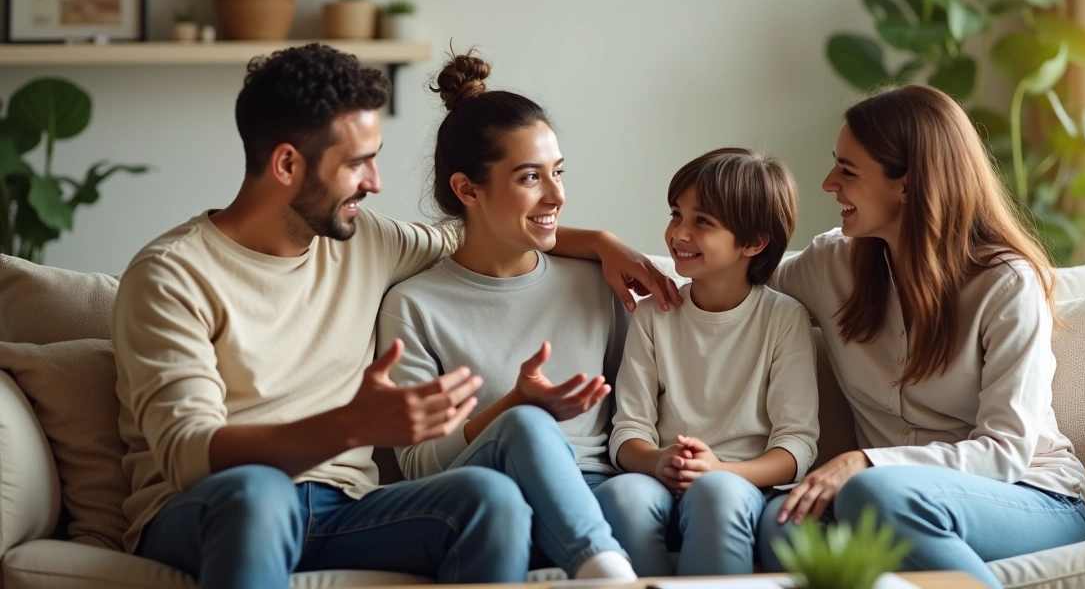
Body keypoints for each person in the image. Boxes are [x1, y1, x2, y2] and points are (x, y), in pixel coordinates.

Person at [111, 43, 679, 589]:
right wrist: (352, 425)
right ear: (287, 163)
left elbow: (481, 232)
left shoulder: (364, 239)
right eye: (357, 163)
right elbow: (190, 455)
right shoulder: (171, 275)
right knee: (260, 495)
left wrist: (602, 242)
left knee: (491, 500)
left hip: (343, 508)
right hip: (214, 508)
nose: (375, 183)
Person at [757, 84, 1085, 589]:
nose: (828, 183)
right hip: (886, 495)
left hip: (1031, 494)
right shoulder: (831, 265)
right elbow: (732, 282)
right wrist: (627, 260)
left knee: (875, 494)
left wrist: (865, 461)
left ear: (908, 185)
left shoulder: (1005, 284)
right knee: (784, 523)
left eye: (848, 171)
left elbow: (1004, 452)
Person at [377, 49, 656, 581]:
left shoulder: (596, 282)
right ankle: (604, 570)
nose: (557, 195)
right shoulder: (413, 307)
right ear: (468, 190)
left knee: (632, 498)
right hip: (491, 505)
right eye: (531, 178)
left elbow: (640, 412)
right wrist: (513, 406)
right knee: (526, 423)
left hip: (599, 491)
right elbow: (417, 465)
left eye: (558, 172)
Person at [594, 148, 819, 576]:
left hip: (744, 485)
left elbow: (796, 445)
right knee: (622, 497)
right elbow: (628, 432)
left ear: (753, 243)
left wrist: (719, 470)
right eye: (676, 214)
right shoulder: (653, 315)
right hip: (660, 481)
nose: (679, 233)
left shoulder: (784, 318)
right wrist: (659, 461)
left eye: (702, 221)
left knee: (716, 491)